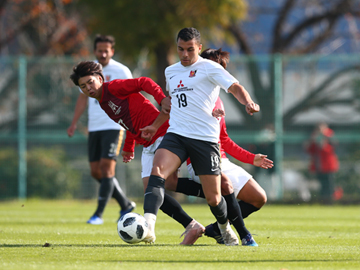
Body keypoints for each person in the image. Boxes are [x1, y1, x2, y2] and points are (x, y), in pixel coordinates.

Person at [141, 27, 260, 246]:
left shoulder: (210, 68)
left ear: (199, 48)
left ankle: (225, 228)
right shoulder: (171, 71)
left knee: (215, 198)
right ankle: (148, 226)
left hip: (205, 140)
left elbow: (235, 87)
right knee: (156, 173)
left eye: (189, 50)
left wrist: (249, 102)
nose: (184, 55)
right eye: (180, 49)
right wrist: (155, 125)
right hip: (176, 134)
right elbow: (173, 105)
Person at [69, 60, 206, 245]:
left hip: (163, 133)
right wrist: (129, 147)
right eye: (83, 86)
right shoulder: (102, 102)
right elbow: (130, 121)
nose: (88, 88)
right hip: (148, 143)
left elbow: (143, 81)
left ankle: (150, 229)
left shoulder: (114, 87)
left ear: (100, 79)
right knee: (155, 192)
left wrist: (161, 98)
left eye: (90, 82)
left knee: (155, 188)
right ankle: (193, 224)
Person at [165, 48, 272, 246]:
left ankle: (216, 229)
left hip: (221, 159)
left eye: (220, 67)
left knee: (259, 198)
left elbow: (224, 140)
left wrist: (251, 158)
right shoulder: (188, 94)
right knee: (224, 184)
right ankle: (244, 235)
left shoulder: (218, 98)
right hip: (198, 158)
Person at [67, 35, 135, 224]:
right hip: (95, 127)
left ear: (112, 51)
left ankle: (98, 214)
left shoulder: (121, 70)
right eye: (100, 50)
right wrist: (74, 123)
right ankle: (125, 204)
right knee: (96, 172)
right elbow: (82, 98)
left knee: (106, 168)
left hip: (114, 125)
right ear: (95, 51)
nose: (103, 53)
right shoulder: (87, 72)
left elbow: (132, 96)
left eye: (107, 50)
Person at [305, 122, 339, 203]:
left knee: (329, 185)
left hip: (328, 166)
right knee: (322, 185)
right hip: (319, 166)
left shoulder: (329, 135)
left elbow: (329, 150)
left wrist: (323, 143)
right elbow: (310, 150)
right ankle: (323, 200)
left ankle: (330, 201)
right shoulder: (315, 136)